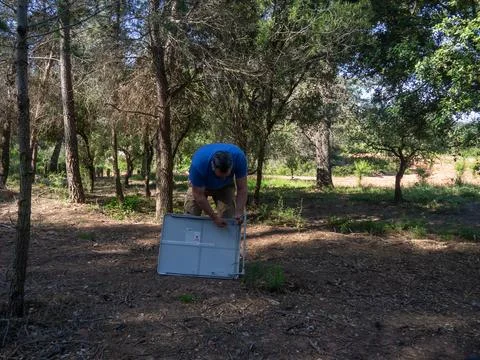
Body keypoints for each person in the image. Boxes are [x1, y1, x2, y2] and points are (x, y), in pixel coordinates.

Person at [184, 143, 248, 227]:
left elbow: (242, 188)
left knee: (228, 218)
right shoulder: (199, 163)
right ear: (213, 167)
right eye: (220, 176)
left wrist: (239, 211)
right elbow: (198, 195)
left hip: (225, 187)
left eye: (226, 175)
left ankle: (223, 239)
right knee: (190, 217)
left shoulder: (239, 158)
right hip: (200, 186)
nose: (223, 178)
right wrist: (214, 217)